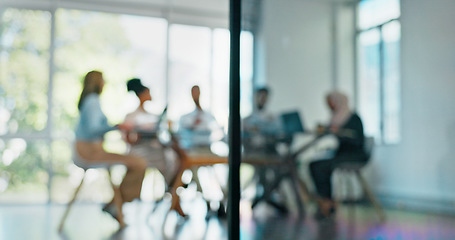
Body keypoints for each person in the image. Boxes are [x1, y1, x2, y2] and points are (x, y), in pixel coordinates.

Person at [75, 70, 147, 225]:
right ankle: (115, 204)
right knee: (139, 163)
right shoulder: (92, 101)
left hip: (91, 149)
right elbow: (93, 129)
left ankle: (115, 204)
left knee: (137, 162)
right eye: (102, 80)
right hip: (90, 151)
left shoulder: (88, 100)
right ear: (97, 82)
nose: (104, 83)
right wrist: (116, 127)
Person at [309, 91, 367, 219]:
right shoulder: (335, 119)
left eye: (332, 103)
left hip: (355, 155)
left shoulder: (353, 118)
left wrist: (339, 132)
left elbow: (357, 141)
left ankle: (327, 204)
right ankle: (325, 202)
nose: (331, 106)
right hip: (340, 153)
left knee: (322, 166)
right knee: (315, 164)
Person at [124, 78, 178, 186]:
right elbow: (127, 138)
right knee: (169, 159)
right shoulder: (131, 117)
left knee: (173, 157)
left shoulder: (153, 116)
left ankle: (174, 186)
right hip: (141, 151)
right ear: (142, 95)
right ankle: (173, 185)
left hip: (155, 149)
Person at [177, 85, 223, 150]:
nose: (195, 94)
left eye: (197, 92)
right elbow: (181, 133)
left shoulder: (208, 114)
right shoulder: (185, 116)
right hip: (191, 148)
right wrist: (192, 125)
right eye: (194, 92)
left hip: (208, 148)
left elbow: (217, 131)